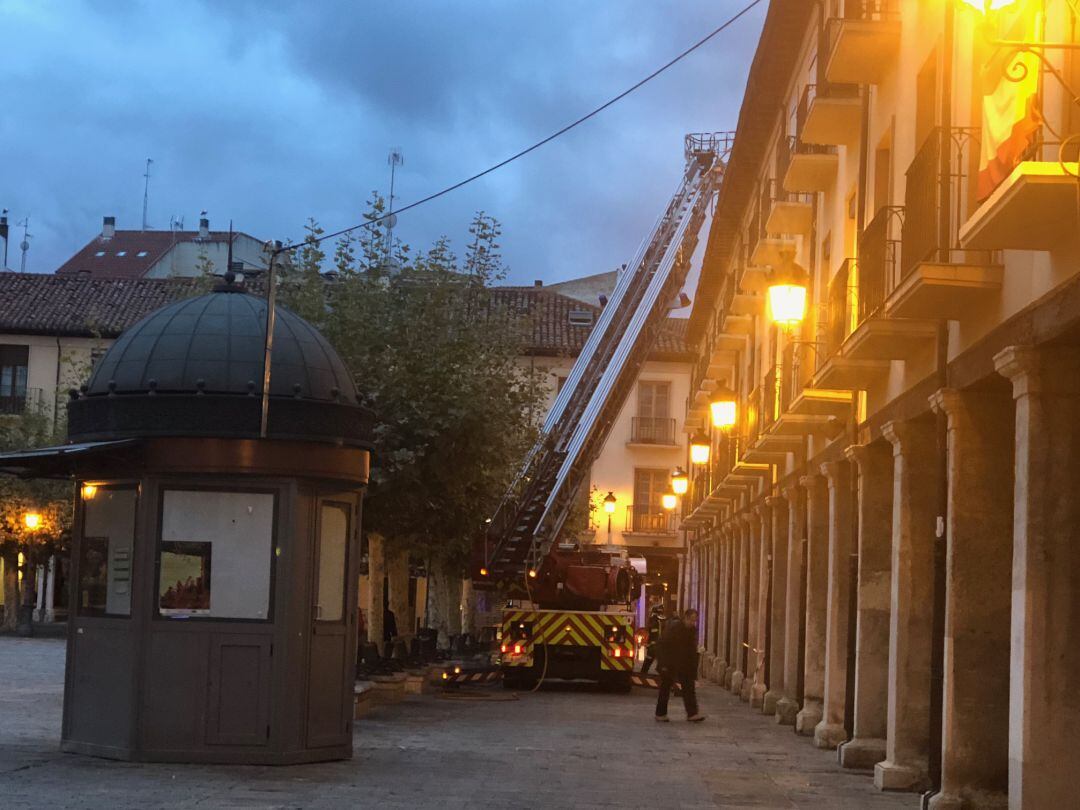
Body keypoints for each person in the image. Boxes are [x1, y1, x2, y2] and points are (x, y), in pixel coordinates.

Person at [654, 608, 705, 722]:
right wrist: (663, 664)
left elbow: (691, 650)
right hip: (669, 662)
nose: (693, 623)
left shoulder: (691, 631)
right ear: (685, 618)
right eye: (691, 620)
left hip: (684, 663)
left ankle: (692, 713)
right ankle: (660, 714)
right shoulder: (674, 628)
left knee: (689, 687)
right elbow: (662, 645)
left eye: (695, 621)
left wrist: (693, 669)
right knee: (665, 687)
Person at [640, 602, 665, 675]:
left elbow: (651, 631)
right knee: (651, 660)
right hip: (656, 645)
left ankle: (643, 674)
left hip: (655, 645)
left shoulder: (655, 620)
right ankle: (643, 674)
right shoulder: (657, 620)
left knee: (650, 660)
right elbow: (652, 631)